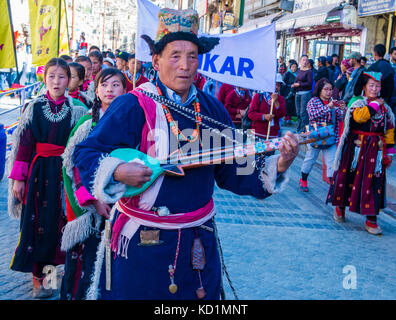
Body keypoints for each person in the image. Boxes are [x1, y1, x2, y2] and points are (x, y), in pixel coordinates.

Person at [72, 8, 299, 300]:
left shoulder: (212, 109)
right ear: (156, 60)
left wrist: (279, 163)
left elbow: (232, 168)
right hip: (142, 243)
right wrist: (116, 171)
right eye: (175, 56)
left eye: (192, 56)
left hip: (197, 240)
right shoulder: (133, 105)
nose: (185, 65)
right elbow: (87, 153)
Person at [8, 58, 87, 298]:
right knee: (36, 223)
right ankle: (37, 279)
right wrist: (19, 180)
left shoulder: (78, 110)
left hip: (64, 174)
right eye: (52, 76)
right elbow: (24, 144)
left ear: (69, 80)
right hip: (38, 174)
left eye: (62, 77)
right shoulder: (33, 107)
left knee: (58, 224)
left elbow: (81, 148)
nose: (56, 81)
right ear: (45, 79)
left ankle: (53, 276)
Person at [60, 68, 126, 300]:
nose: (110, 89)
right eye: (104, 85)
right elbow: (72, 167)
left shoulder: (133, 122)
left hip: (124, 205)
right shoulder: (87, 124)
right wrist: (93, 201)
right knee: (85, 266)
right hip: (92, 208)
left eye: (116, 84)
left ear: (125, 90)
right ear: (96, 90)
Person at [327, 72, 395, 235]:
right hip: (355, 150)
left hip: (375, 152)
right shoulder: (357, 103)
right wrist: (374, 106)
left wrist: (389, 152)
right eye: (371, 85)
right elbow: (359, 118)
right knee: (348, 178)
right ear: (364, 87)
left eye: (377, 86)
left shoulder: (386, 108)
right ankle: (340, 208)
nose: (375, 89)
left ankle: (371, 219)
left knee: (373, 183)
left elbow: (389, 129)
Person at [299, 78, 346, 192]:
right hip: (315, 137)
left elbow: (340, 118)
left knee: (332, 162)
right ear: (320, 90)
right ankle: (303, 180)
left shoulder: (333, 102)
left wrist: (342, 109)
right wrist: (328, 107)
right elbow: (313, 115)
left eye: (330, 89)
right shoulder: (313, 101)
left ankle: (332, 187)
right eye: (326, 89)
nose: (329, 92)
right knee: (310, 159)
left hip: (331, 138)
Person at [248, 74, 287, 139]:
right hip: (256, 134)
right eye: (275, 84)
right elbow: (251, 114)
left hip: (272, 135)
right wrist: (264, 116)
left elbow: (282, 114)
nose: (277, 87)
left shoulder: (281, 99)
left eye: (279, 85)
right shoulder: (258, 96)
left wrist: (276, 102)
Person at [292, 55, 313, 132]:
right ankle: (299, 128)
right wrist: (294, 84)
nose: (305, 62)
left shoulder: (309, 71)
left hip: (305, 94)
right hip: (297, 93)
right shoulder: (299, 70)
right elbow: (296, 80)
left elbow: (309, 84)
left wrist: (299, 84)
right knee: (298, 112)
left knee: (303, 113)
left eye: (306, 60)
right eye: (303, 60)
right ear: (300, 61)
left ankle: (303, 130)